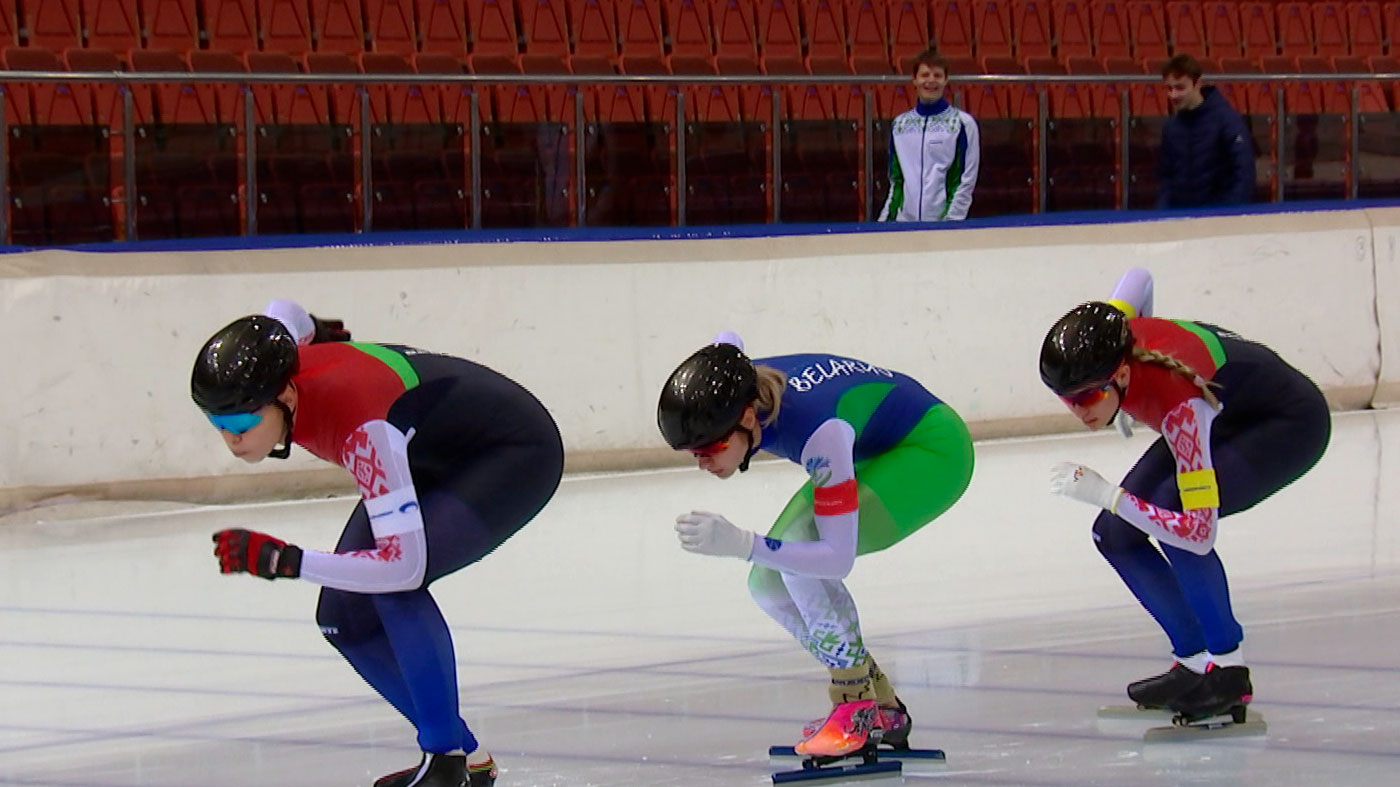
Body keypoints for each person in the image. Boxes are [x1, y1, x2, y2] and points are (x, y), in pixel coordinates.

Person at [191, 300, 564, 787]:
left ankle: (445, 762)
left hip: (511, 454)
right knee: (342, 620)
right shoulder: (277, 355)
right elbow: (284, 312)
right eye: (216, 424)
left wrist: (288, 561)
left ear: (284, 394)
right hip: (428, 450)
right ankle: (469, 756)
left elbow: (401, 567)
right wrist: (314, 329)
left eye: (241, 424)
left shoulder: (363, 430)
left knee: (390, 586)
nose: (231, 440)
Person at [657, 334, 975, 756]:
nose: (703, 462)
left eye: (712, 446)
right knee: (765, 585)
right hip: (878, 447)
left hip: (934, 454)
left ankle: (854, 706)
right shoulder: (743, 384)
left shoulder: (820, 432)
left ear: (749, 418)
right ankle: (882, 706)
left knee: (796, 554)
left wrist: (743, 543)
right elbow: (729, 343)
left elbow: (835, 558)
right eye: (691, 453)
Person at [1040, 268, 1330, 722]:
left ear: (1118, 374)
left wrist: (1107, 494)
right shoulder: (1114, 332)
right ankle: (1194, 661)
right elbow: (1138, 277)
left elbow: (1199, 533)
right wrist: (1120, 411)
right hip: (1225, 411)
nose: (1078, 411)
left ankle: (1228, 671)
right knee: (1113, 535)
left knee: (1170, 513)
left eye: (1087, 397)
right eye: (1066, 400)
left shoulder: (1180, 406)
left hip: (1285, 425)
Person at [878, 46, 981, 222]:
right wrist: (885, 222)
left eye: (937, 75)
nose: (931, 81)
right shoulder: (900, 125)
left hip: (944, 225)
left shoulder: (962, 124)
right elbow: (896, 180)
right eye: (925, 75)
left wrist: (951, 222)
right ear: (914, 80)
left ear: (946, 80)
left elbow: (966, 180)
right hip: (903, 224)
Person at [1157, 54, 1255, 209]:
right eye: (1169, 88)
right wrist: (1163, 214)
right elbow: (1167, 178)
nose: (1173, 95)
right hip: (1180, 219)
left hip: (1219, 218)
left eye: (1180, 87)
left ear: (1198, 84)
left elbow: (1243, 172)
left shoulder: (1227, 120)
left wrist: (1229, 214)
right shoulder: (1171, 128)